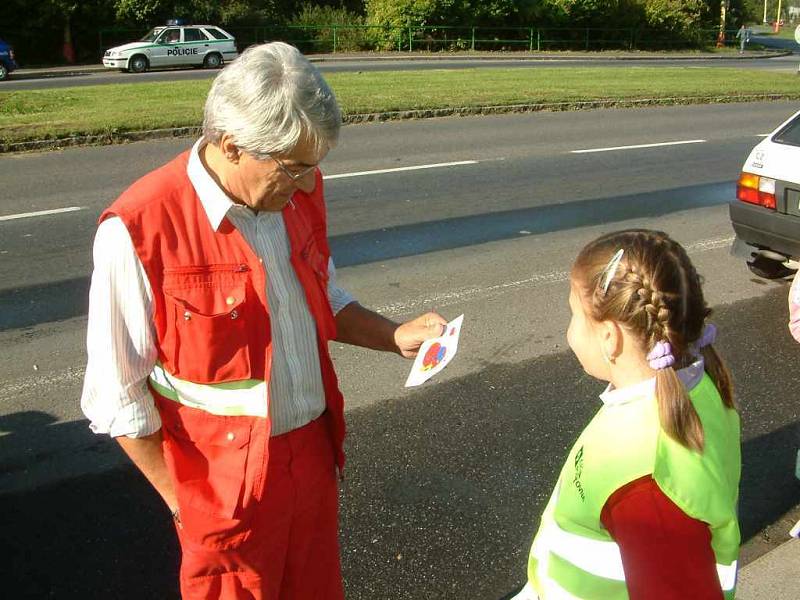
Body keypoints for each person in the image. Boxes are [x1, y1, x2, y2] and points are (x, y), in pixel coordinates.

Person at [80, 42, 447, 600]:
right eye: (294, 169)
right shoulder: (139, 229)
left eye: (314, 168)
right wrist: (189, 507)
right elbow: (117, 401)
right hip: (221, 487)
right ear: (231, 145)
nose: (306, 186)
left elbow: (321, 295)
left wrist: (393, 335)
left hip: (312, 457)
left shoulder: (293, 196)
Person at [514, 229, 741, 600]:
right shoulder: (699, 388)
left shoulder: (647, 483)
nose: (569, 330)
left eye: (574, 315)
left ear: (610, 338)